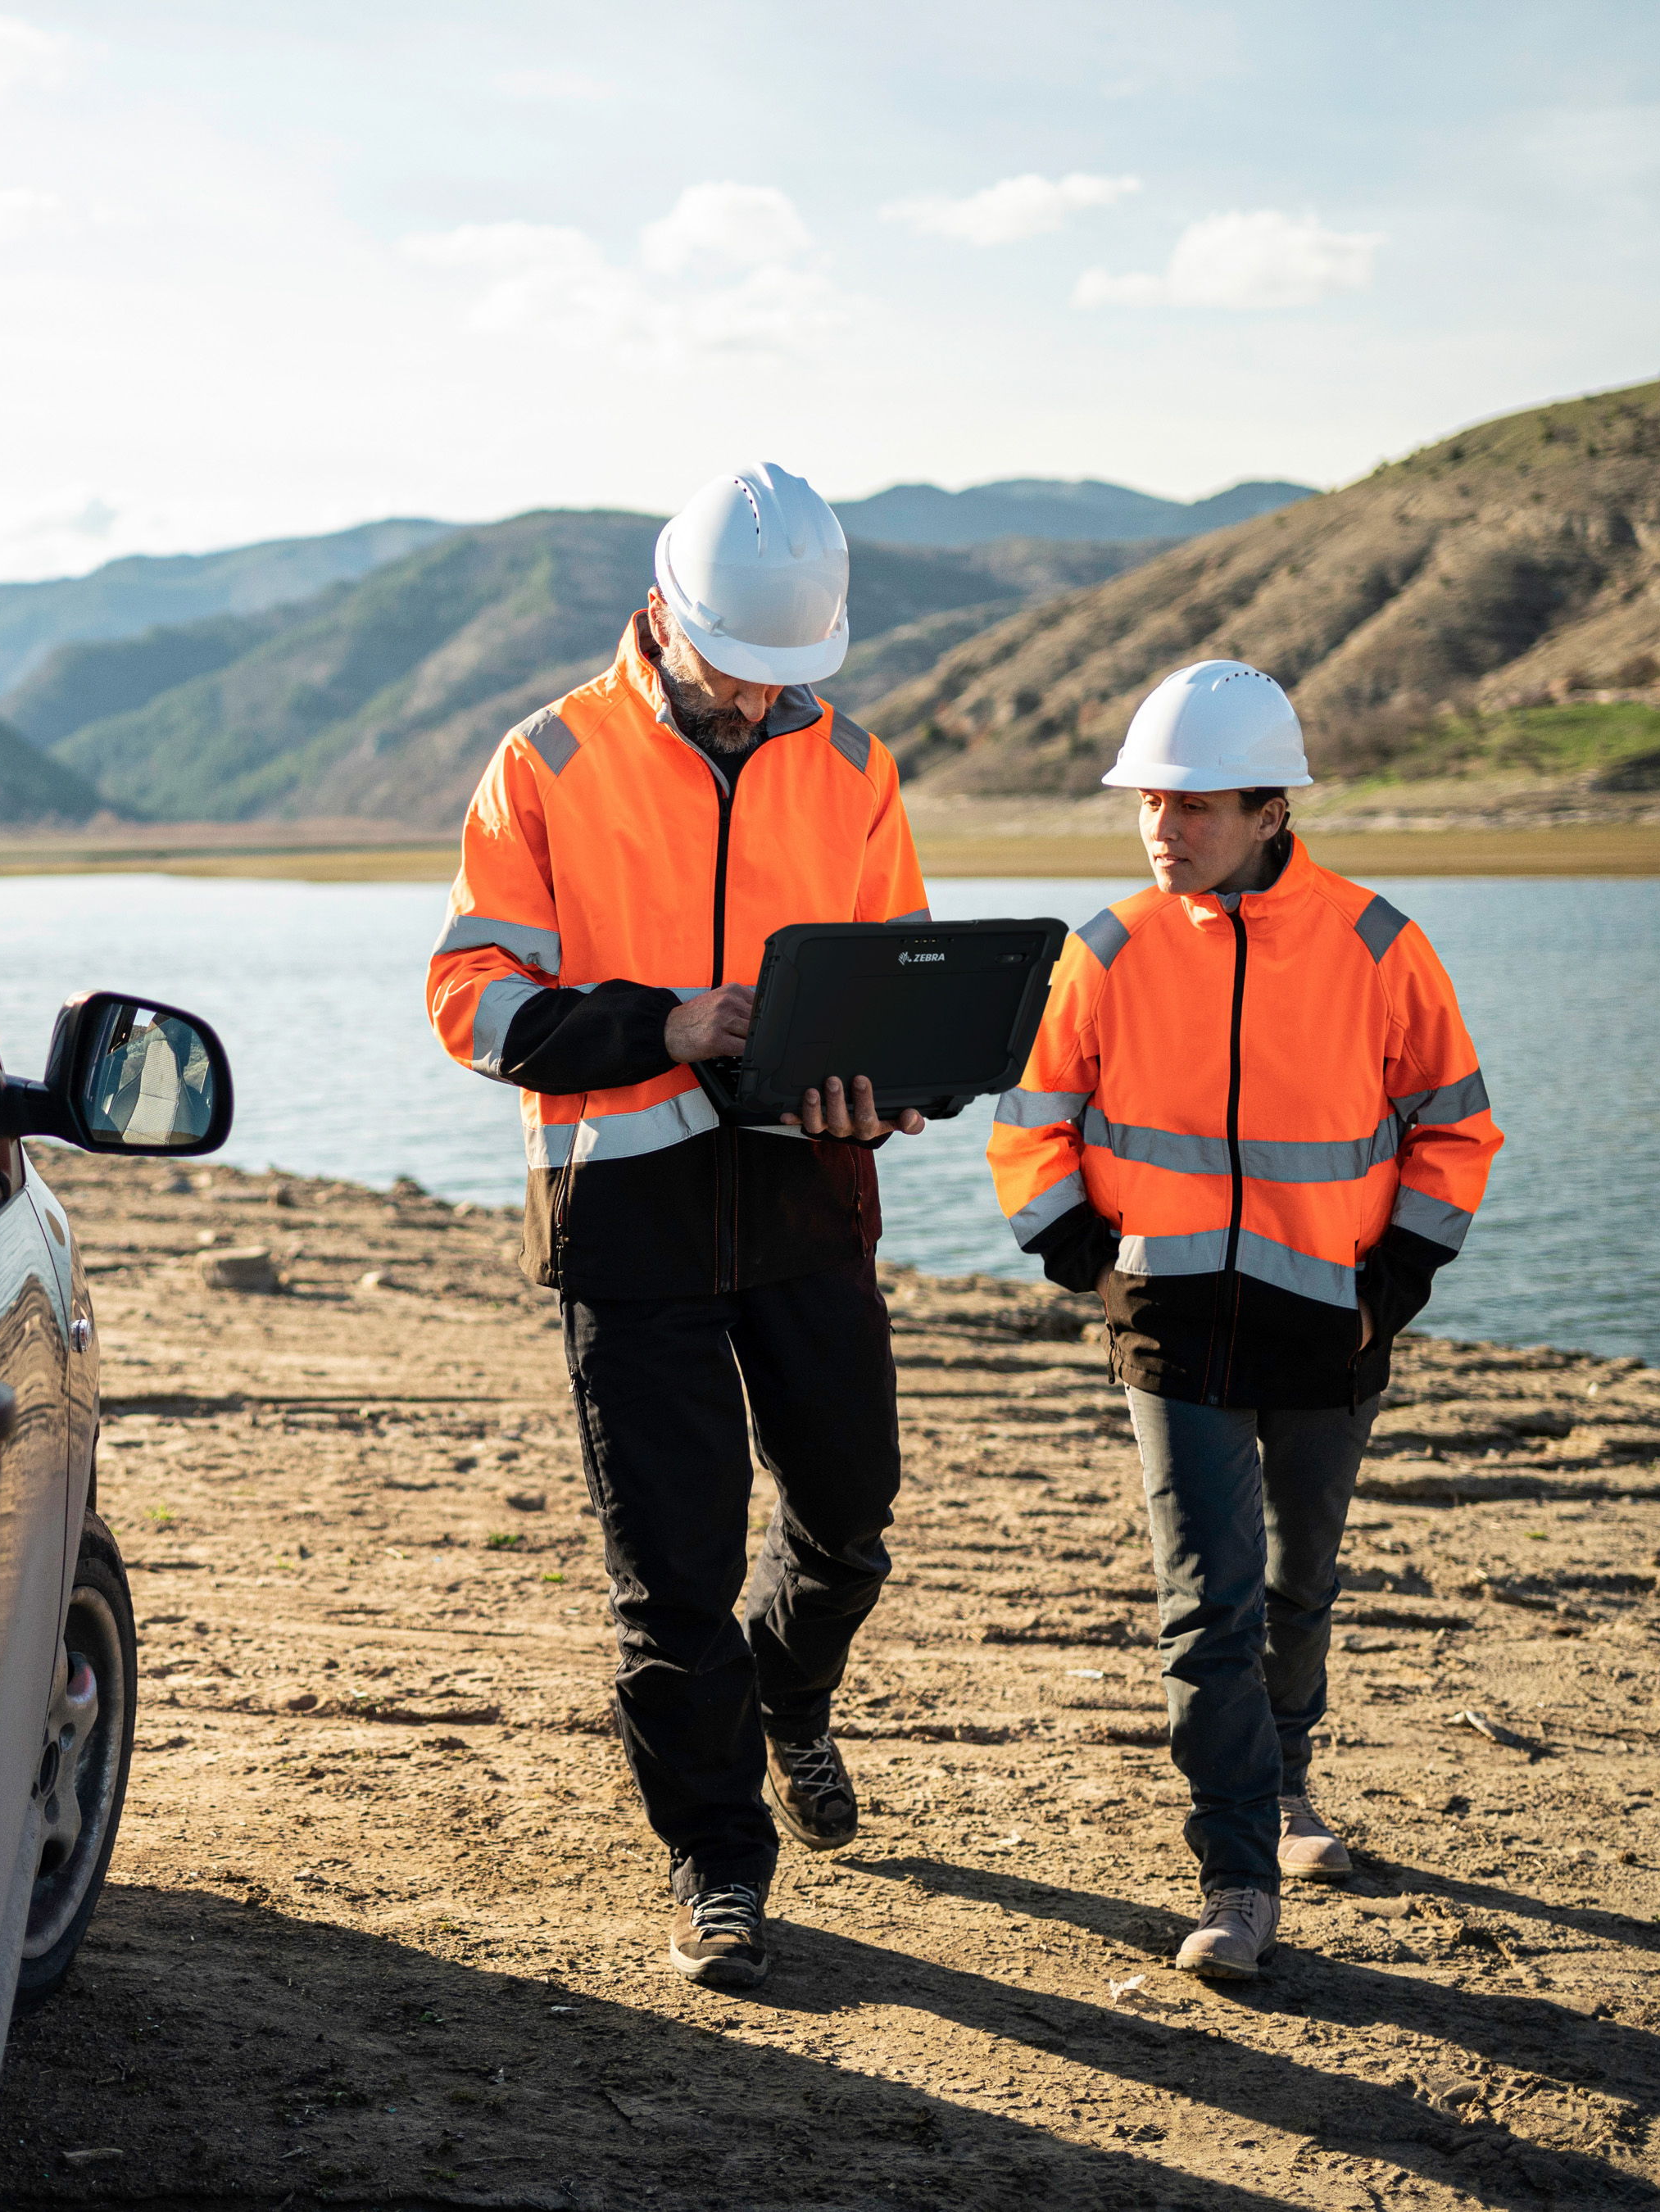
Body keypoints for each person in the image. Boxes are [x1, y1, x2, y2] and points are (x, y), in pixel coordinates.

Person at [427, 463, 931, 1991]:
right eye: (736, 672)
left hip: (805, 1200)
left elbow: (900, 977)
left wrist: (886, 1087)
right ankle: (718, 1861)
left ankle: (790, 1690)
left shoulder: (852, 764)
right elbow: (472, 1001)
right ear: (663, 614)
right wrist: (665, 1023)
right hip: (626, 1219)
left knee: (851, 1517)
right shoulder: (545, 762)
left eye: (787, 678)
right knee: (671, 1577)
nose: (757, 703)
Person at [986, 661, 1503, 1979]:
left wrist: (1389, 1290)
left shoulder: (1378, 943)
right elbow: (1030, 1126)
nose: (1165, 828)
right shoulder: (1102, 950)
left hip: (1333, 1328)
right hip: (1168, 1326)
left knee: (1298, 1583)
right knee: (1204, 1604)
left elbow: (1456, 1128)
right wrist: (1089, 1267)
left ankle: (1288, 1781)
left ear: (1273, 811)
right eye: (1150, 803)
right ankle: (1236, 1873)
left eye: (1197, 806)